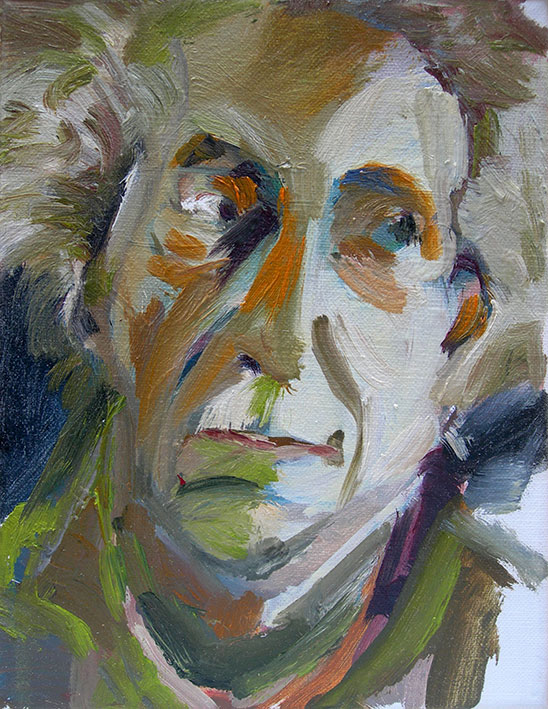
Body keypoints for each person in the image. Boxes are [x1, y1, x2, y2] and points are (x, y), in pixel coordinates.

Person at [0, 1, 546, 707]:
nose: (279, 340)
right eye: (213, 209)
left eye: (388, 231)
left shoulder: (515, 640)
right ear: (97, 278)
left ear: (460, 325)